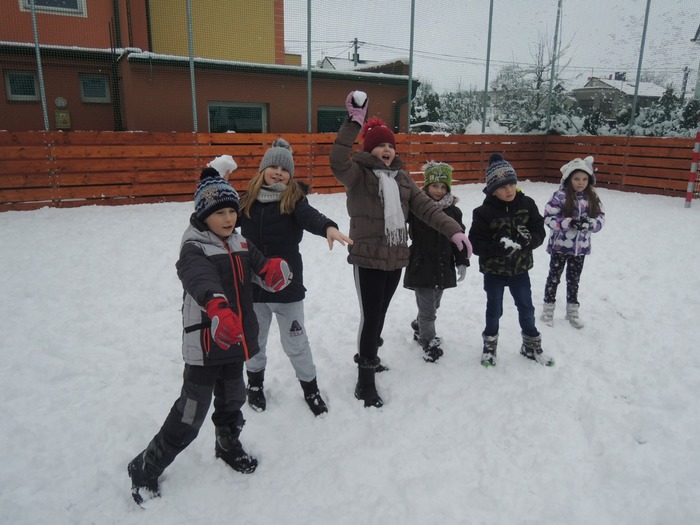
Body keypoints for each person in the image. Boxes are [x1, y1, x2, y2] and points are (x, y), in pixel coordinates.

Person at [127, 168, 292, 505]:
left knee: (233, 399)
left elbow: (258, 265)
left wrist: (271, 270)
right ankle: (146, 466)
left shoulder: (240, 242)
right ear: (204, 214)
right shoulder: (194, 247)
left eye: (232, 211)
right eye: (220, 213)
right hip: (206, 342)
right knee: (191, 412)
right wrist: (217, 307)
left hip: (234, 339)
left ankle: (227, 444)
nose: (229, 218)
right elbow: (200, 280)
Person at [330, 90, 472, 408]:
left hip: (395, 259)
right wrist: (353, 124)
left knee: (379, 314)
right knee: (370, 318)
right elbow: (337, 160)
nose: (387, 150)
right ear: (369, 148)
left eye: (391, 146)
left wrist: (454, 231)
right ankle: (365, 379)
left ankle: (371, 356)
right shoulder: (357, 175)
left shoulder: (403, 180)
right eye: (380, 145)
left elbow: (428, 209)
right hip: (368, 258)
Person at [238, 137, 352, 416]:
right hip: (254, 288)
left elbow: (310, 216)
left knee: (296, 343)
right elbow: (220, 217)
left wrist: (328, 227)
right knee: (255, 342)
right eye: (273, 167)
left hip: (286, 288)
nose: (278, 173)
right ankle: (254, 385)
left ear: (290, 175)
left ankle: (310, 389)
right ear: (263, 169)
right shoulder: (247, 200)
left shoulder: (293, 200)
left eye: (284, 169)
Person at [468, 153, 554, 368]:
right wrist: (496, 249)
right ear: (492, 189)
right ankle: (490, 346)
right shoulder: (483, 212)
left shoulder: (527, 204)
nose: (509, 190)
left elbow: (539, 231)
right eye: (502, 186)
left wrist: (529, 241)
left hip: (520, 270)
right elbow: (475, 243)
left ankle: (531, 345)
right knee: (494, 309)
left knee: (526, 308)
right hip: (494, 272)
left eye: (512, 184)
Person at [403, 161, 470, 362]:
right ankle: (427, 341)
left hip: (443, 265)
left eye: (443, 186)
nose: (439, 190)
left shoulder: (454, 212)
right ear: (426, 186)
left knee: (435, 304)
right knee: (428, 310)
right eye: (434, 186)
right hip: (421, 264)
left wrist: (462, 261)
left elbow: (459, 237)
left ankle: (419, 325)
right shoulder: (415, 209)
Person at [541, 156, 605, 328]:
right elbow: (548, 218)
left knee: (574, 280)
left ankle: (572, 311)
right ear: (569, 179)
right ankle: (548, 310)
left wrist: (590, 224)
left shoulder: (592, 197)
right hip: (560, 247)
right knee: (554, 278)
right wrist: (569, 223)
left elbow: (600, 218)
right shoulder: (560, 196)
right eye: (576, 178)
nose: (580, 182)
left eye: (584, 179)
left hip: (580, 248)